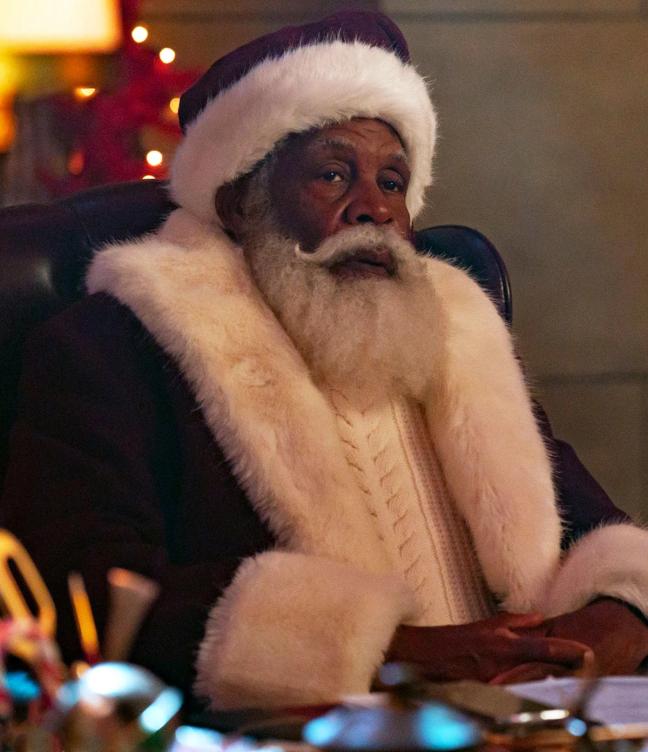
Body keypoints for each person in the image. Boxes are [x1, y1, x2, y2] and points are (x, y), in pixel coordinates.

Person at [2, 11, 648, 710]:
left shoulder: (455, 332)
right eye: (333, 175)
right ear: (239, 203)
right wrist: (397, 657)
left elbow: (596, 534)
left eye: (393, 182)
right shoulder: (114, 345)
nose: (373, 210)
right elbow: (89, 594)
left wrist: (606, 627)